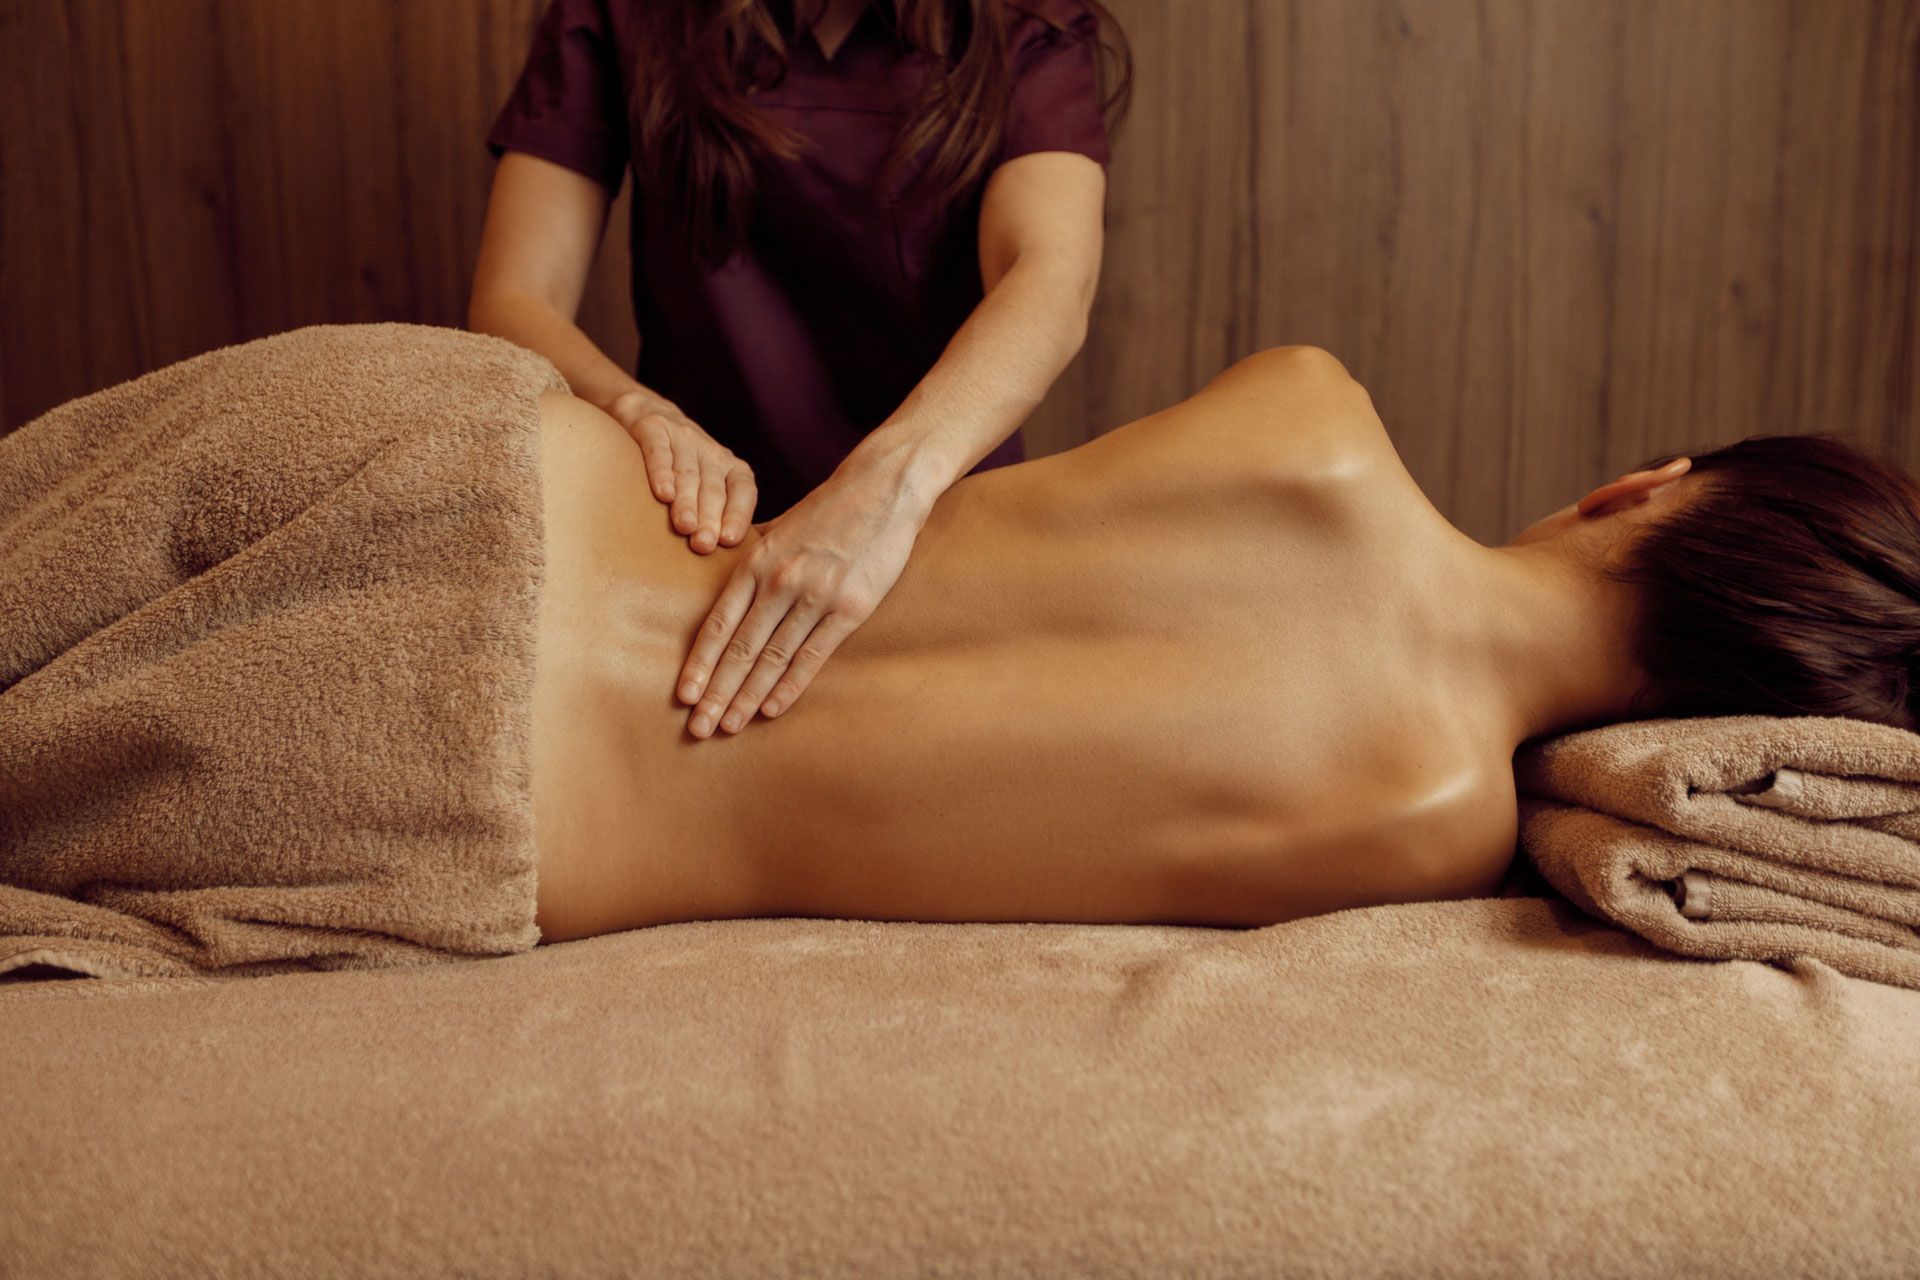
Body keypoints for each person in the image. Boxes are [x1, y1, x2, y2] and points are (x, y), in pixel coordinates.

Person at [526, 344, 1920, 942]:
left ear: (1643, 488)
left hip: (510, 473)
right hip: (531, 807)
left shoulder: (1311, 410)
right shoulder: (1425, 822)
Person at [470, 0, 1131, 741]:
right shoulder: (624, 14)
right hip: (696, 535)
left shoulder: (1027, 22)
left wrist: (883, 493)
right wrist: (633, 409)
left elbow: (1048, 277)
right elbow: (514, 297)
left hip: (939, 525)